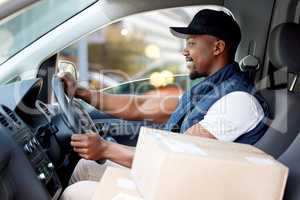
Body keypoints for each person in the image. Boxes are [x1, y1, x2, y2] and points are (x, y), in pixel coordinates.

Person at [59, 9, 270, 200]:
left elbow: (174, 158)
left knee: (75, 193)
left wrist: (105, 148)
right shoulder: (210, 90)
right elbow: (138, 106)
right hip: (174, 179)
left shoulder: (238, 101)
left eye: (191, 43)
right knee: (85, 166)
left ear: (218, 47)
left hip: (188, 189)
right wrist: (81, 92)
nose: (184, 51)